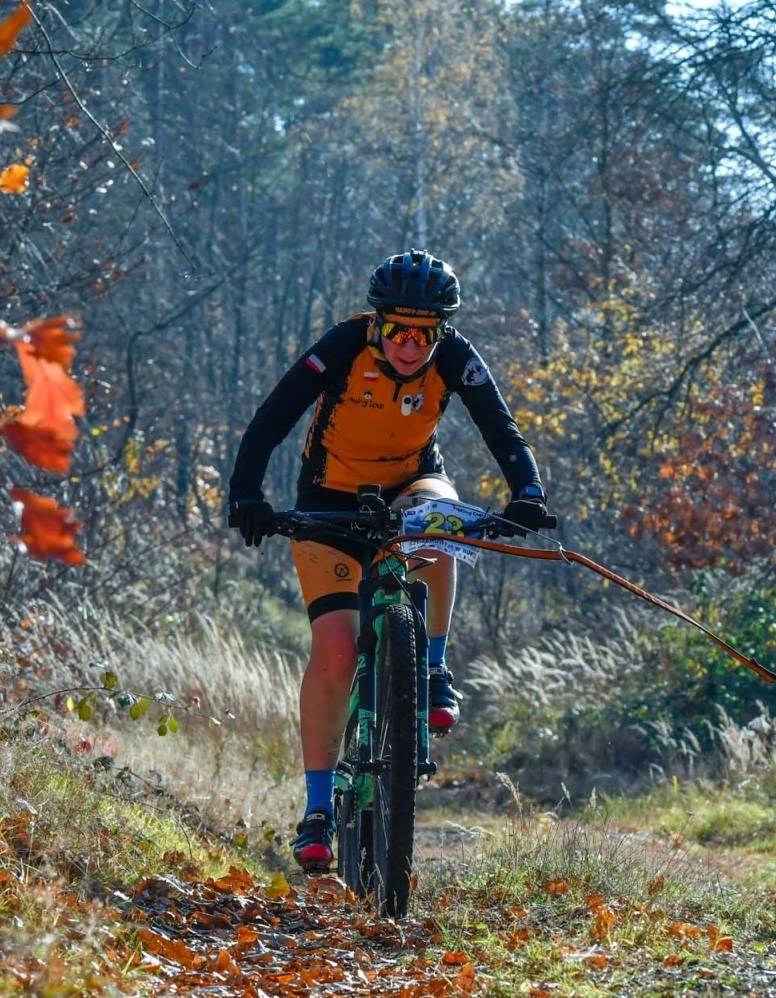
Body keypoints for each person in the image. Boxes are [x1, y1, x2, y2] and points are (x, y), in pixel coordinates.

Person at [226, 249, 551, 870]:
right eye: (398, 329)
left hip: (411, 483)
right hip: (327, 500)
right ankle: (318, 809)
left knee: (439, 524)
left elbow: (503, 430)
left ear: (441, 331)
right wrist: (247, 494)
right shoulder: (344, 345)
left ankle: (431, 668)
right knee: (337, 650)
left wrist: (528, 492)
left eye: (424, 333)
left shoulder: (454, 357)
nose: (410, 345)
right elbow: (272, 418)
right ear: (377, 324)